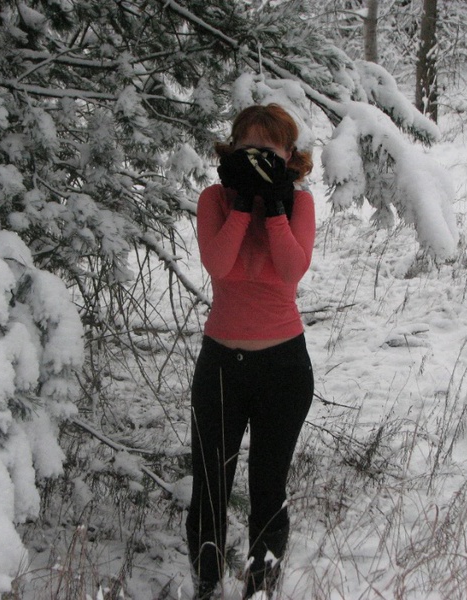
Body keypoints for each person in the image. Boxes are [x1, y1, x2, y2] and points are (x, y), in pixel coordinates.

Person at [186, 104, 316, 600]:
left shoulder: (299, 204)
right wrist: (243, 204)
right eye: (248, 146)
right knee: (209, 489)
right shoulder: (214, 200)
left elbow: (291, 270)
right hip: (221, 365)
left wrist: (276, 207)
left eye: (270, 148)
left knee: (268, 490)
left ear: (288, 155)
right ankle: (206, 587)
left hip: (284, 368)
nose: (258, 155)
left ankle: (260, 590)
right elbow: (218, 264)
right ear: (232, 149)